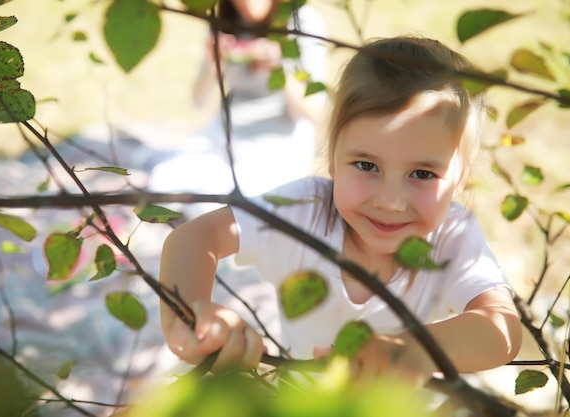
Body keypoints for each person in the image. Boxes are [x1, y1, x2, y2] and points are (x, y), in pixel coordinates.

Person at [159, 36, 523, 387]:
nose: (389, 201)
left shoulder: (452, 237)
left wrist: (412, 350)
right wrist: (192, 320)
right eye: (366, 165)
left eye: (423, 174)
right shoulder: (306, 211)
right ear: (333, 157)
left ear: (461, 177)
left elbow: (502, 329)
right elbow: (194, 237)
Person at [148, 0, 329, 205]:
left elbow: (313, 112)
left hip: (275, 148)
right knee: (163, 182)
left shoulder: (301, 21)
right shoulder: (226, 21)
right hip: (225, 136)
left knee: (230, 208)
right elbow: (198, 102)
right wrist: (214, 64)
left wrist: (280, 70)